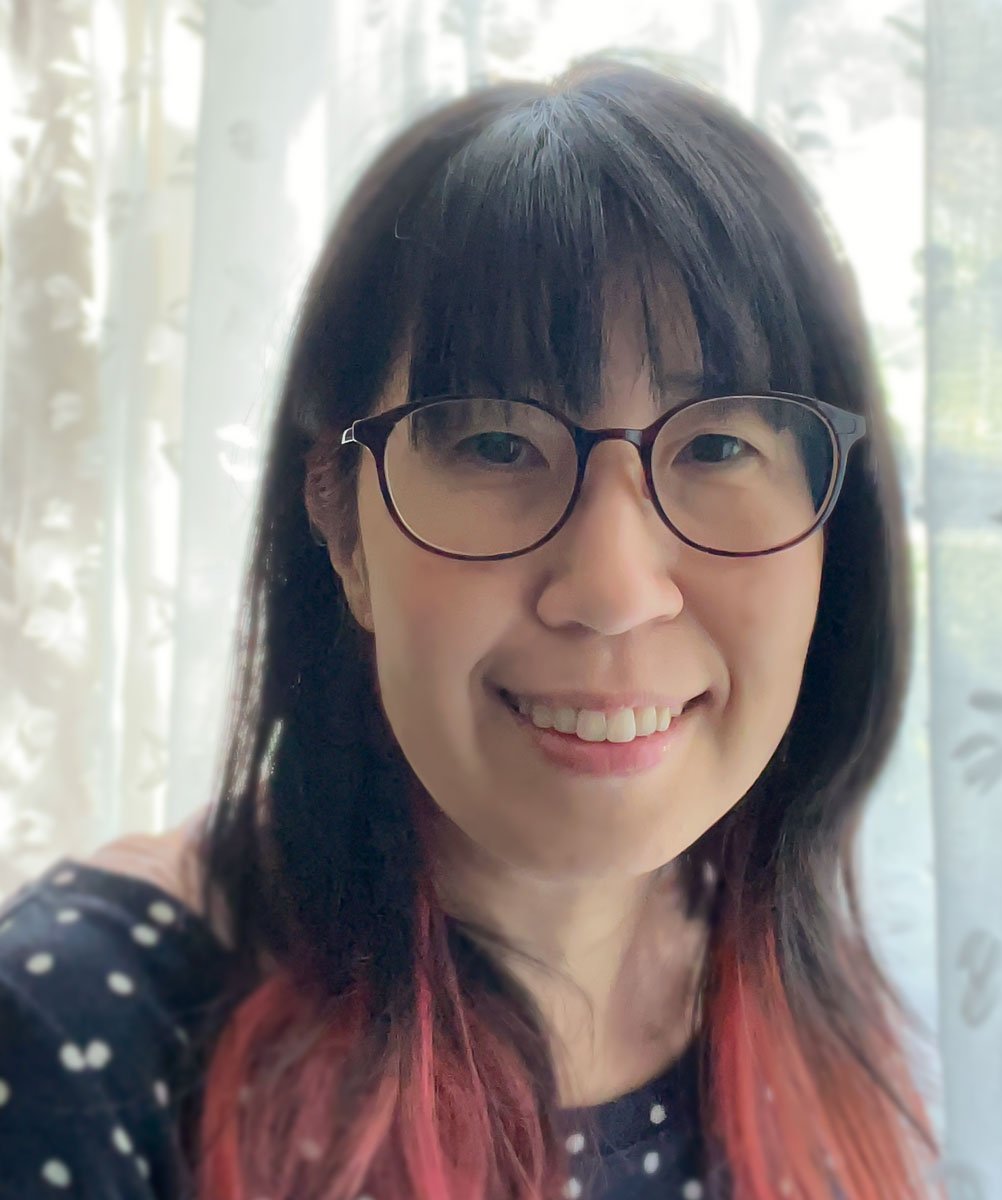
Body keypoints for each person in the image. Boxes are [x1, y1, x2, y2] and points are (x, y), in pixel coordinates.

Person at [0, 58, 937, 1200]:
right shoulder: (82, 1034)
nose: (611, 588)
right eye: (495, 443)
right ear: (343, 532)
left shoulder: (798, 979)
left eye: (718, 445)